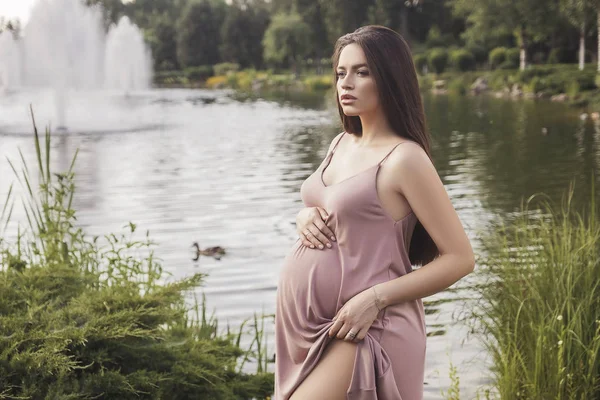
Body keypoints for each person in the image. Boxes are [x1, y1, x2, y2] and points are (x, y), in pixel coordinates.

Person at [274, 25, 475, 400]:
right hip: (309, 330)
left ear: (390, 78)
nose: (345, 83)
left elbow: (460, 258)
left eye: (362, 72)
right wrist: (305, 216)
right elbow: (337, 208)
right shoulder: (340, 143)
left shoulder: (405, 159)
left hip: (369, 330)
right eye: (340, 73)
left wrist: (375, 299)